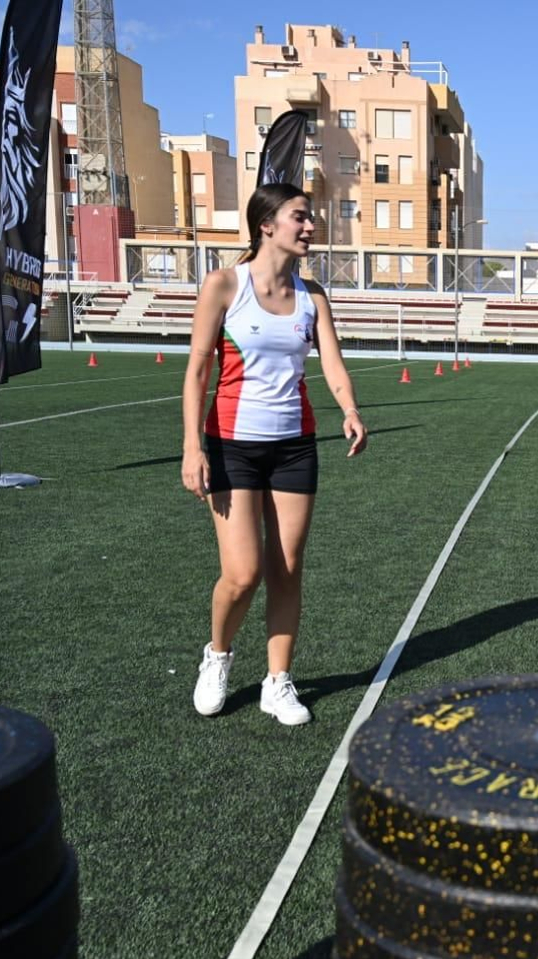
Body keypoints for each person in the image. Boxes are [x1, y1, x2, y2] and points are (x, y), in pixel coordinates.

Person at [180, 182, 367, 726]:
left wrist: (350, 409)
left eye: (310, 219)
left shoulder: (313, 295)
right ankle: (217, 657)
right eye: (300, 217)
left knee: (286, 569)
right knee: (242, 574)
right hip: (231, 445)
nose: (310, 227)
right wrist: (192, 447)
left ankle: (277, 682)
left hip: (294, 447)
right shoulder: (223, 285)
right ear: (267, 224)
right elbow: (197, 371)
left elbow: (331, 362)